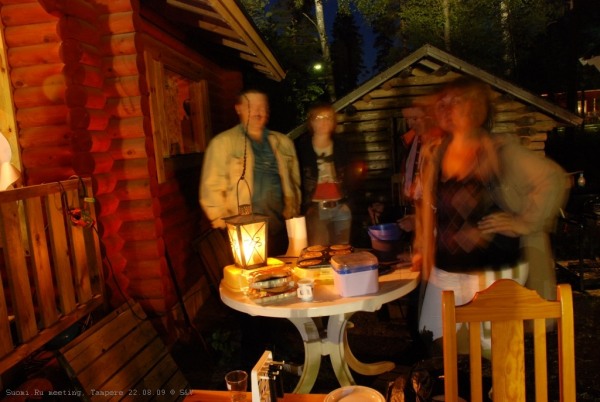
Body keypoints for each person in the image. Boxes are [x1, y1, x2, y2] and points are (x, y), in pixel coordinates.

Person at [414, 77, 568, 357]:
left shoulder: (500, 151)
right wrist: (423, 246)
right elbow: (431, 207)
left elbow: (553, 178)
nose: (446, 108)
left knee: (493, 348)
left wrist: (524, 222)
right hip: (447, 267)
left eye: (455, 101)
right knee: (436, 333)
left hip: (495, 268)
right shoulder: (436, 152)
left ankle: (496, 383)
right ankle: (463, 381)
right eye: (442, 103)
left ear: (477, 107)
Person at [199, 88, 301, 257]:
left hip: (280, 228)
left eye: (262, 107)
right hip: (244, 234)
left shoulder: (283, 142)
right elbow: (211, 188)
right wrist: (222, 224)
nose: (258, 112)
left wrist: (293, 212)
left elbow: (294, 181)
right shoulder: (222, 143)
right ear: (238, 108)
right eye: (251, 106)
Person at [296, 101, 352, 245]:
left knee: (342, 250)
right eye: (319, 118)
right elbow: (297, 178)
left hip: (341, 207)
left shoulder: (341, 145)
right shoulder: (302, 147)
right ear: (311, 122)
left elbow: (351, 175)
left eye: (328, 117)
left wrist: (348, 202)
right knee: (319, 250)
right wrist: (305, 207)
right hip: (315, 209)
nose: (324, 122)